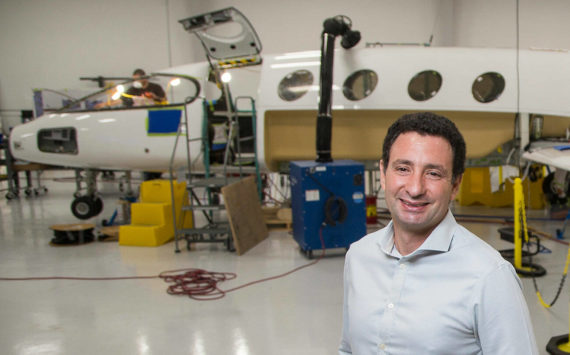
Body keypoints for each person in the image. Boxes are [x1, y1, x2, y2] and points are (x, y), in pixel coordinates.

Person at [339, 112, 538, 354]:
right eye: (403, 168)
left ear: (455, 185)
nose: (414, 188)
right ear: (383, 173)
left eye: (433, 173)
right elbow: (349, 348)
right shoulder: (359, 256)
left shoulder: (489, 277)